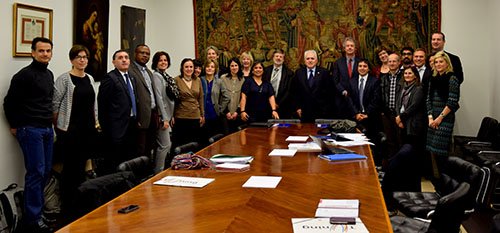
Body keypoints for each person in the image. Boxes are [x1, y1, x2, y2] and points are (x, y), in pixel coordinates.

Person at [4, 37, 54, 232]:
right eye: (41, 51)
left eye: (48, 50)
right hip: (30, 129)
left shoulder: (49, 74)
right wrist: (15, 125)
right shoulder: (24, 76)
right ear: (32, 53)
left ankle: (38, 213)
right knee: (36, 173)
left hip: (46, 129)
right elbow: (8, 103)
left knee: (46, 171)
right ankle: (33, 220)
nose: (45, 54)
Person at [52, 45, 98, 211]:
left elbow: (93, 105)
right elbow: (55, 105)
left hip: (87, 130)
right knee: (70, 170)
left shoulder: (90, 79)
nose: (82, 60)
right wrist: (61, 128)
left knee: (82, 169)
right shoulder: (64, 79)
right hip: (70, 132)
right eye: (78, 57)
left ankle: (80, 204)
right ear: (72, 60)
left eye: (85, 57)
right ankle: (68, 205)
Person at [98, 50, 138, 173]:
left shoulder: (131, 77)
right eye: (120, 58)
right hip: (115, 128)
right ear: (114, 62)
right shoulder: (110, 78)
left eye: (126, 57)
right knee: (114, 161)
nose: (124, 60)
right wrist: (106, 128)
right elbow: (102, 104)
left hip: (131, 123)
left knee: (128, 159)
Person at [427, 51, 460, 165]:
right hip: (433, 119)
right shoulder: (433, 78)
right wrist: (431, 118)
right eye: (436, 62)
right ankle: (435, 178)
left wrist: (439, 118)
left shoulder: (452, 79)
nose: (438, 64)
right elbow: (428, 99)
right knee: (431, 149)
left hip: (445, 119)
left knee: (440, 151)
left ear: (447, 63)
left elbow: (452, 101)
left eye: (441, 62)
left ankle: (444, 178)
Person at [128, 44, 157, 157]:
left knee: (150, 147)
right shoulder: (130, 71)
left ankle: (149, 174)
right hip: (140, 117)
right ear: (135, 54)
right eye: (142, 53)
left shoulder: (149, 72)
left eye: (148, 53)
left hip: (152, 115)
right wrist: (136, 116)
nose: (145, 55)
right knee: (140, 149)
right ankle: (140, 174)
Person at [151, 51, 178, 173]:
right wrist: (165, 118)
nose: (163, 62)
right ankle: (158, 172)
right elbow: (159, 98)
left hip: (168, 115)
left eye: (165, 60)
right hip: (162, 117)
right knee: (165, 145)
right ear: (156, 62)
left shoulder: (165, 76)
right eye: (160, 60)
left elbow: (170, 99)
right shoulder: (157, 76)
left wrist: (171, 116)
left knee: (165, 145)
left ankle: (160, 170)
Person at [172, 58, 204, 150]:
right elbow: (172, 99)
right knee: (181, 144)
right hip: (181, 117)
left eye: (191, 67)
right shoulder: (176, 80)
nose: (189, 69)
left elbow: (201, 98)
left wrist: (202, 115)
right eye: (186, 67)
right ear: (182, 68)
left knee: (194, 144)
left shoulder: (197, 80)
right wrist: (172, 115)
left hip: (195, 116)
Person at [294, 50, 334, 122]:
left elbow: (330, 92)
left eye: (312, 58)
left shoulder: (324, 72)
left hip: (321, 112)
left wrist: (326, 109)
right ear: (304, 61)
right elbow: (295, 92)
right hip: (304, 111)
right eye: (308, 58)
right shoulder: (299, 73)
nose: (310, 61)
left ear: (316, 60)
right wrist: (298, 107)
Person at [347, 59, 381, 142]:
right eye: (360, 66)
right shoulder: (352, 81)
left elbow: (375, 99)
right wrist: (356, 114)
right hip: (355, 118)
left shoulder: (375, 81)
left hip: (370, 118)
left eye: (365, 66)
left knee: (370, 142)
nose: (362, 68)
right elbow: (349, 99)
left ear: (369, 69)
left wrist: (366, 114)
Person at [395, 66, 427, 150]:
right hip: (402, 121)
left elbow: (414, 106)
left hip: (413, 124)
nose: (407, 75)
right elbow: (398, 103)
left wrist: (401, 117)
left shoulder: (419, 88)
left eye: (410, 73)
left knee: (412, 148)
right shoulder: (402, 88)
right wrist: (399, 117)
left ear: (415, 75)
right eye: (405, 73)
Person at [379, 53, 403, 163]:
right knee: (390, 141)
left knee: (401, 140)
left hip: (400, 115)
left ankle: (401, 165)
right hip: (387, 114)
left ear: (399, 63)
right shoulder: (383, 78)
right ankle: (392, 165)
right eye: (390, 61)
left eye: (394, 61)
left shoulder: (404, 76)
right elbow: (381, 95)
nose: (392, 63)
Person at [200, 59, 230, 145]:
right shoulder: (200, 80)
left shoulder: (219, 81)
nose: (210, 68)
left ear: (215, 69)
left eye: (212, 67)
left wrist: (220, 109)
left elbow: (226, 97)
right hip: (203, 114)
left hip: (215, 114)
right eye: (208, 66)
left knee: (214, 140)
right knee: (203, 140)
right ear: (204, 68)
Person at [333, 37, 362, 119]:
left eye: (352, 46)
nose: (349, 47)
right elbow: (335, 81)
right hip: (342, 100)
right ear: (344, 48)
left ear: (355, 48)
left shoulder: (361, 62)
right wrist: (344, 91)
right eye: (347, 46)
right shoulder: (338, 63)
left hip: (357, 99)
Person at [263, 49, 295, 119]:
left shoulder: (289, 73)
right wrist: (271, 103)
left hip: (283, 107)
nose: (278, 58)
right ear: (273, 58)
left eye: (281, 57)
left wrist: (278, 104)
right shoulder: (265, 71)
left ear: (283, 59)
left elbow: (288, 91)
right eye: (277, 56)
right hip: (266, 106)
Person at [221, 58, 245, 133]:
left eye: (236, 65)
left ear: (239, 66)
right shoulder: (223, 78)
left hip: (237, 114)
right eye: (232, 66)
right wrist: (226, 111)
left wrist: (237, 112)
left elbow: (242, 98)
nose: (234, 68)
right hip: (225, 114)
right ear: (229, 67)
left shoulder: (243, 80)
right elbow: (221, 96)